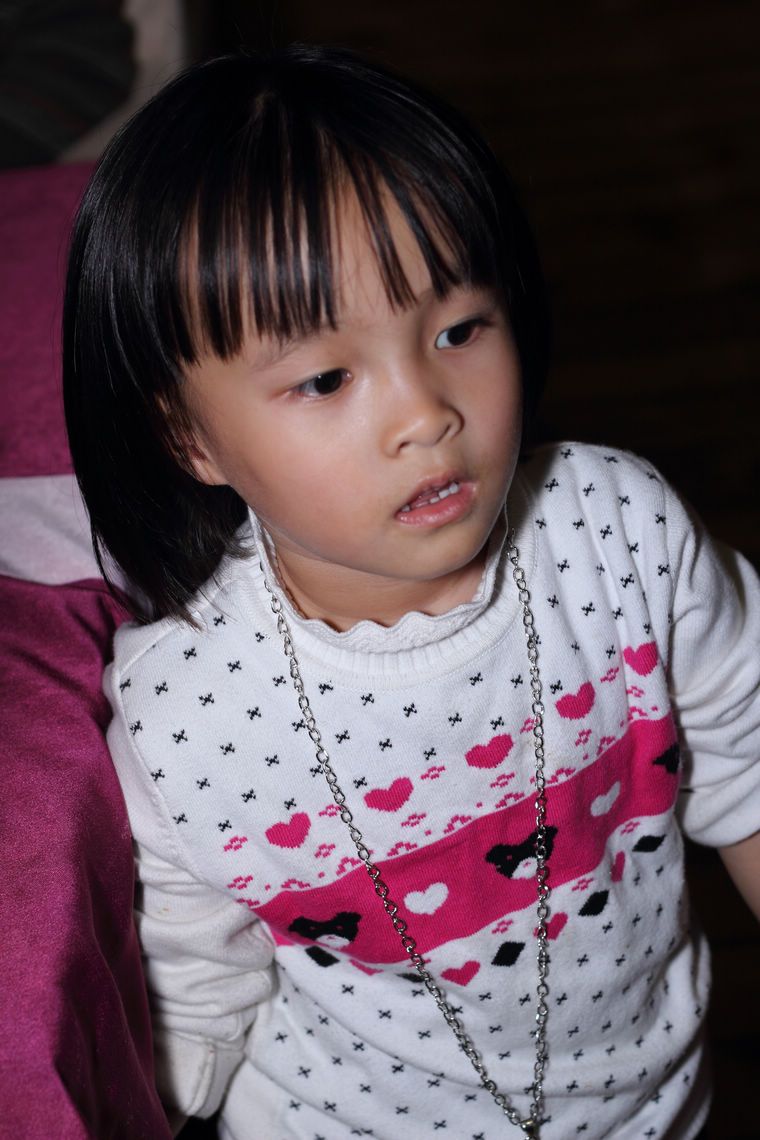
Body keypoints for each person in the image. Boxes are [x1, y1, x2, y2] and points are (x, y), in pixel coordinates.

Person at [62, 45, 760, 1140]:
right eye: (326, 378)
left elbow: (749, 765)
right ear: (189, 437)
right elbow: (191, 1005)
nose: (426, 412)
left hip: (658, 1110)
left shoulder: (622, 533)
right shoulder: (184, 715)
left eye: (458, 330)